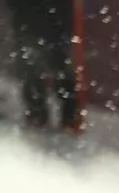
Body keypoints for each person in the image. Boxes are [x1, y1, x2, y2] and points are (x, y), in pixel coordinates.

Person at [3, 0, 80, 131]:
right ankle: (42, 113)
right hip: (33, 18)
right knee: (32, 63)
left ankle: (65, 115)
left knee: (54, 63)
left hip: (48, 18)